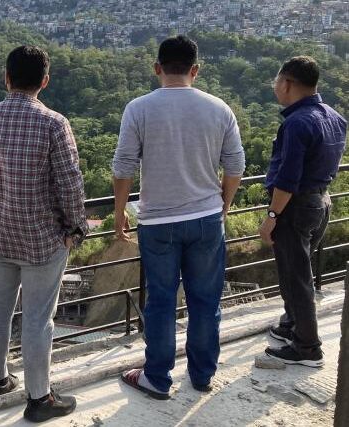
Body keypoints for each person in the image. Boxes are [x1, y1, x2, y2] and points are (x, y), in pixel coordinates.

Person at [112, 35, 245, 400]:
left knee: (161, 301)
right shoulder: (219, 108)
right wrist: (224, 204)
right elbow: (235, 165)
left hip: (157, 222)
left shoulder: (138, 109)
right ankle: (201, 375)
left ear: (157, 68)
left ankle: (156, 377)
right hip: (205, 218)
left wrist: (119, 213)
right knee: (205, 300)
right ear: (195, 70)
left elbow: (123, 167)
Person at [0, 45, 88, 422]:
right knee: (37, 319)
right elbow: (69, 183)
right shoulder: (54, 123)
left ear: (6, 77)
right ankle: (39, 399)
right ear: (45, 81)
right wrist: (74, 227)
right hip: (41, 238)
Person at [259, 56, 347, 367]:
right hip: (321, 202)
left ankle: (308, 348)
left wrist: (271, 217)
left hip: (295, 208)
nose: (275, 89)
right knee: (296, 270)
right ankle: (290, 327)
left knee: (296, 279)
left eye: (276, 83)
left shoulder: (296, 124)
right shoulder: (335, 117)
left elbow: (288, 179)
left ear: (288, 83)